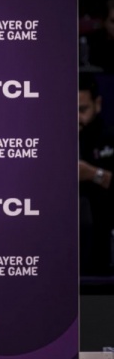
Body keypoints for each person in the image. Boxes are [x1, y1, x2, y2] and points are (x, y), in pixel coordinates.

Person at [79, 73, 114, 276]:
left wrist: (93, 174)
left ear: (97, 104)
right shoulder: (50, 141)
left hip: (103, 235)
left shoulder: (110, 137)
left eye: (82, 110)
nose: (76, 118)